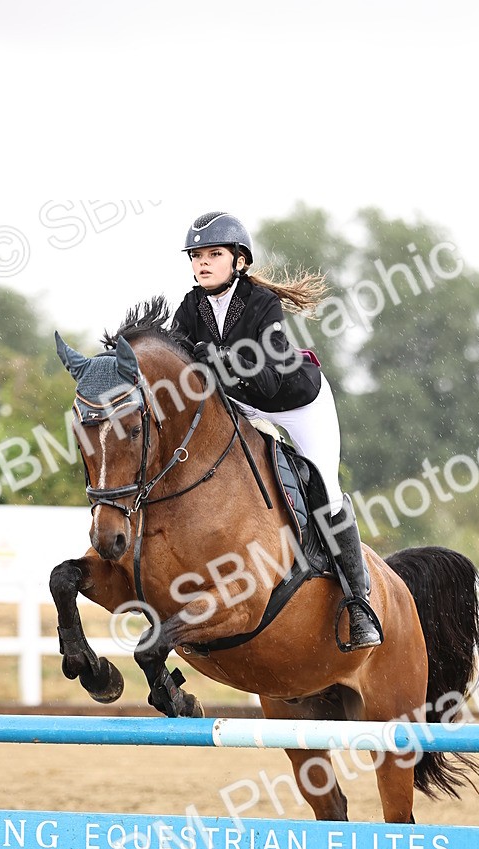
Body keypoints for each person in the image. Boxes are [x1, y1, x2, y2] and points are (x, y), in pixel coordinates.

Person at [170, 211, 383, 652]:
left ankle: (358, 603)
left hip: (296, 404)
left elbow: (266, 381)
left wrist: (217, 356)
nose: (203, 263)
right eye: (196, 256)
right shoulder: (190, 308)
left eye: (214, 254)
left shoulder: (262, 304)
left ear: (239, 260)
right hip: (240, 404)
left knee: (324, 487)